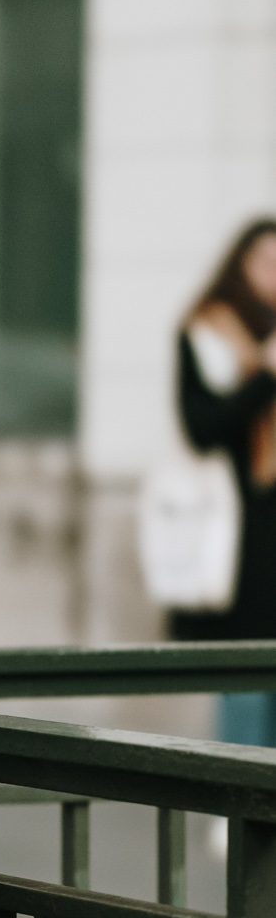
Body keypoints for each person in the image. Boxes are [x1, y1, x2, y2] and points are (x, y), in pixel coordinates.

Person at [173, 218, 276, 742]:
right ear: (239, 264)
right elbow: (202, 428)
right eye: (265, 261)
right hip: (237, 528)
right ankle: (239, 808)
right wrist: (263, 376)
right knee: (245, 666)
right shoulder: (207, 332)